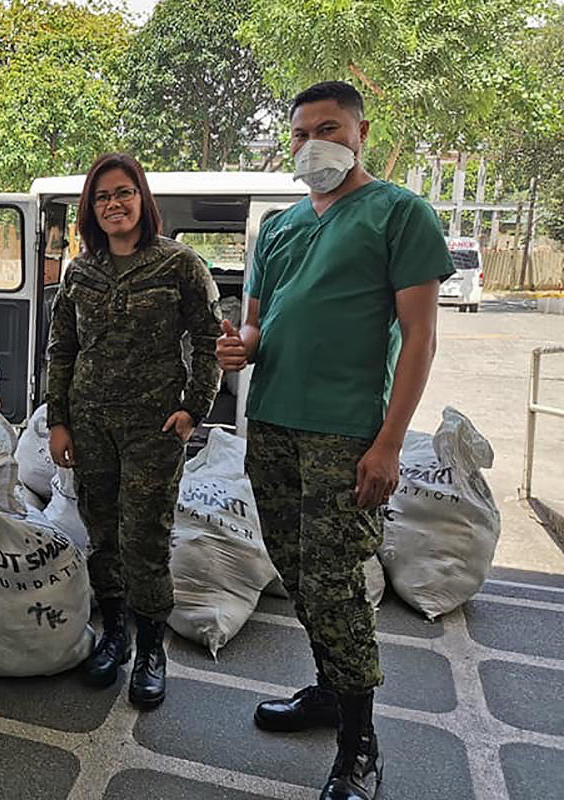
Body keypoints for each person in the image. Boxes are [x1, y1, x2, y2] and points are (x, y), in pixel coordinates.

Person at [217, 81, 451, 800]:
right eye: (300, 132)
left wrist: (388, 444)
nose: (312, 142)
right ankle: (327, 689)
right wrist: (241, 347)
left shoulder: (399, 214)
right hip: (275, 426)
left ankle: (359, 743)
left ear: (360, 132)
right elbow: (260, 321)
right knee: (297, 573)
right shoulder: (281, 228)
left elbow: (420, 338)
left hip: (347, 434)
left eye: (328, 127)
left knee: (336, 585)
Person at [45, 153, 222, 709]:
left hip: (153, 427)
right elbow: (62, 348)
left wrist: (195, 408)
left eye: (123, 193)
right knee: (102, 532)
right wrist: (58, 420)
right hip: (91, 422)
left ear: (143, 200)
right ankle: (115, 633)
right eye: (101, 198)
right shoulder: (82, 272)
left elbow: (208, 340)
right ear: (89, 211)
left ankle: (151, 647)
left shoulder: (178, 265)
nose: (113, 205)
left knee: (145, 536)